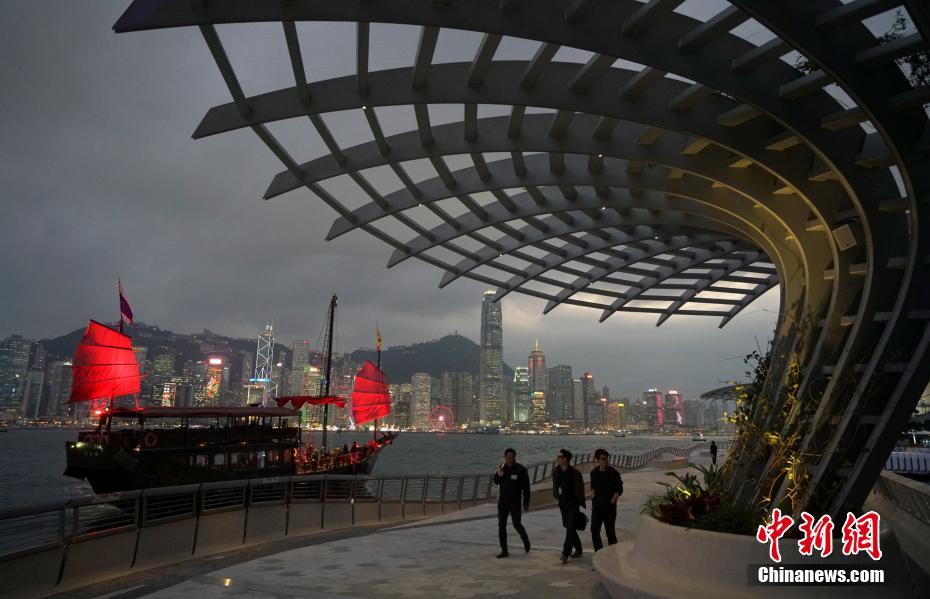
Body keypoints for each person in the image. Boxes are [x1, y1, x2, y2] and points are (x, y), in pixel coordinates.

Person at [492, 448, 531, 558]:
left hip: (515, 502)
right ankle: (504, 550)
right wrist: (498, 475)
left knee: (516, 524)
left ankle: (524, 537)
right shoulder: (502, 468)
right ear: (505, 458)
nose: (510, 459)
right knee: (501, 525)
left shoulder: (521, 469)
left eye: (512, 457)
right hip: (503, 502)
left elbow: (526, 488)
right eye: (508, 457)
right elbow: (496, 481)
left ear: (515, 457)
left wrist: (526, 502)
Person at [552, 448, 585, 563]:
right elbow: (555, 485)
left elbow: (580, 488)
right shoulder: (556, 471)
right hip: (562, 504)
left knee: (570, 527)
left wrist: (578, 502)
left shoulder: (575, 473)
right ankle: (579, 549)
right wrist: (557, 495)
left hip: (573, 504)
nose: (557, 458)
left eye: (559, 456)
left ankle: (565, 553)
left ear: (565, 459)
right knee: (568, 526)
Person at [590, 448, 623, 552]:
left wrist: (612, 501)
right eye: (603, 459)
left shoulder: (614, 473)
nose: (606, 461)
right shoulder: (593, 473)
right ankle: (598, 552)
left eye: (606, 458)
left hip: (609, 508)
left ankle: (613, 553)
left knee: (610, 532)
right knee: (594, 530)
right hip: (597, 507)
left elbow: (619, 489)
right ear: (597, 460)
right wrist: (593, 498)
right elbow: (593, 487)